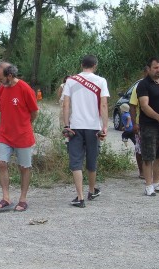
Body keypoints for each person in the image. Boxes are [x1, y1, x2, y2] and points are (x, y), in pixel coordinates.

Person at [62, 54, 109, 208]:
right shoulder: (101, 81)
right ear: (95, 65)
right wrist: (104, 127)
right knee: (92, 160)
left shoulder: (71, 80)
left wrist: (66, 125)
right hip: (93, 126)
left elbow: (66, 105)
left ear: (81, 65)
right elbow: (103, 105)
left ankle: (80, 197)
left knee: (76, 161)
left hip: (75, 126)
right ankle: (91, 191)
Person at [0, 61, 39, 212]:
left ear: (10, 76)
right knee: (1, 163)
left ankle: (23, 199)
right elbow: (3, 110)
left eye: (1, 79)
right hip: (5, 134)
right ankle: (6, 197)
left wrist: (24, 125)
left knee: (24, 167)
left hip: (23, 135)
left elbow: (34, 112)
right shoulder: (1, 90)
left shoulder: (25, 89)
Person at [137, 57, 159, 196]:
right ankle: (148, 185)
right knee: (148, 156)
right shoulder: (143, 85)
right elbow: (144, 106)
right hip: (149, 125)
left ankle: (157, 183)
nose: (158, 70)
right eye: (155, 68)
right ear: (149, 69)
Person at [129, 68, 148, 179]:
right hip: (140, 123)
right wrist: (134, 123)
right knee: (139, 148)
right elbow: (132, 106)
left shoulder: (157, 85)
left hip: (155, 123)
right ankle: (141, 171)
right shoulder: (138, 87)